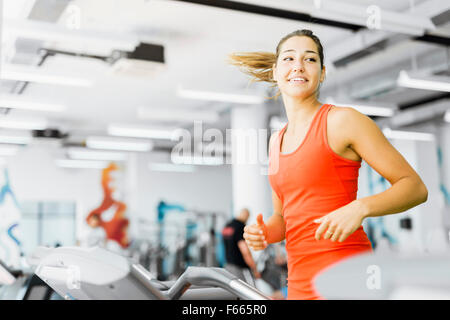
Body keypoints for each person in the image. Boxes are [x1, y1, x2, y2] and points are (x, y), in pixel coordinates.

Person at [229, 29, 428, 300]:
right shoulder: (276, 141)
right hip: (299, 282)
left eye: (309, 59)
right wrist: (264, 233)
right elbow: (284, 220)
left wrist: (360, 208)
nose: (298, 65)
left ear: (322, 73)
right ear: (275, 71)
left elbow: (415, 187)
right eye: (289, 59)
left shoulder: (343, 121)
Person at [222, 208, 261, 285]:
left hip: (228, 266)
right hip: (240, 268)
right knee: (248, 292)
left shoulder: (227, 226)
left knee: (233, 291)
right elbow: (245, 250)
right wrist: (254, 269)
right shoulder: (240, 227)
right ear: (246, 216)